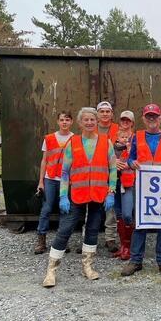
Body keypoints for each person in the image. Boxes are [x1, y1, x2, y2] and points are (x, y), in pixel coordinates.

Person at [42, 107, 117, 287]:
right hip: (76, 195)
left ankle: (88, 267)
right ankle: (51, 271)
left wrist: (111, 192)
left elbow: (113, 169)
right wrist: (63, 196)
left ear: (97, 121)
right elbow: (65, 172)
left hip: (98, 196)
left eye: (93, 119)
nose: (90, 122)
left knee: (92, 231)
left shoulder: (106, 142)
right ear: (80, 122)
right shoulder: (72, 142)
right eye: (86, 120)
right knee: (65, 230)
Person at [121, 103, 161, 277]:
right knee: (140, 223)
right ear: (144, 119)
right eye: (148, 116)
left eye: (155, 116)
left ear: (160, 118)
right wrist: (132, 163)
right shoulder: (136, 136)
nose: (152, 119)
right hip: (143, 188)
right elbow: (130, 160)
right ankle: (135, 260)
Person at [34, 111, 74, 254]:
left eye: (67, 120)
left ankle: (62, 240)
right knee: (47, 208)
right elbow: (44, 160)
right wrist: (41, 182)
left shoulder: (75, 139)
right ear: (58, 122)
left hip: (66, 180)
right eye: (62, 120)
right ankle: (41, 240)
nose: (64, 122)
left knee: (65, 209)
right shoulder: (49, 138)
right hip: (50, 178)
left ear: (71, 122)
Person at [96, 100, 120, 254]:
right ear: (97, 114)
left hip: (113, 173)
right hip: (95, 173)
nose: (105, 114)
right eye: (102, 111)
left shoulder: (119, 129)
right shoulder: (90, 129)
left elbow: (126, 147)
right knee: (90, 206)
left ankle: (110, 238)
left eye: (107, 111)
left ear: (112, 114)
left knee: (110, 208)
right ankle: (88, 238)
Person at [113, 111, 135, 260]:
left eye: (128, 120)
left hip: (129, 182)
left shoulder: (136, 139)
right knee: (119, 214)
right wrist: (113, 162)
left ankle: (130, 245)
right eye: (123, 120)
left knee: (128, 214)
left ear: (132, 122)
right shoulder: (113, 141)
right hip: (115, 181)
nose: (125, 122)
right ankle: (123, 246)